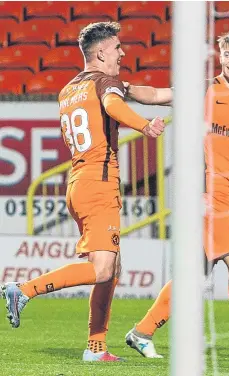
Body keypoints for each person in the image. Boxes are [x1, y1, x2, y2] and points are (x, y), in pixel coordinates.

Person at [124, 30, 229, 361]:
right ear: (221, 56)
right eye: (227, 54)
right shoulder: (203, 92)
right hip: (207, 197)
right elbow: (157, 95)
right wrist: (128, 88)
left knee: (199, 272)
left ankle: (142, 331)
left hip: (225, 198)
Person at [1, 22, 165, 362]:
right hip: (99, 181)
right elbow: (114, 106)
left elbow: (125, 101)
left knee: (112, 268)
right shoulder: (107, 83)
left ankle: (96, 347)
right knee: (104, 270)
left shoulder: (69, 89)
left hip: (78, 181)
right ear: (101, 52)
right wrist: (144, 125)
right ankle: (23, 290)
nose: (122, 53)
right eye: (117, 47)